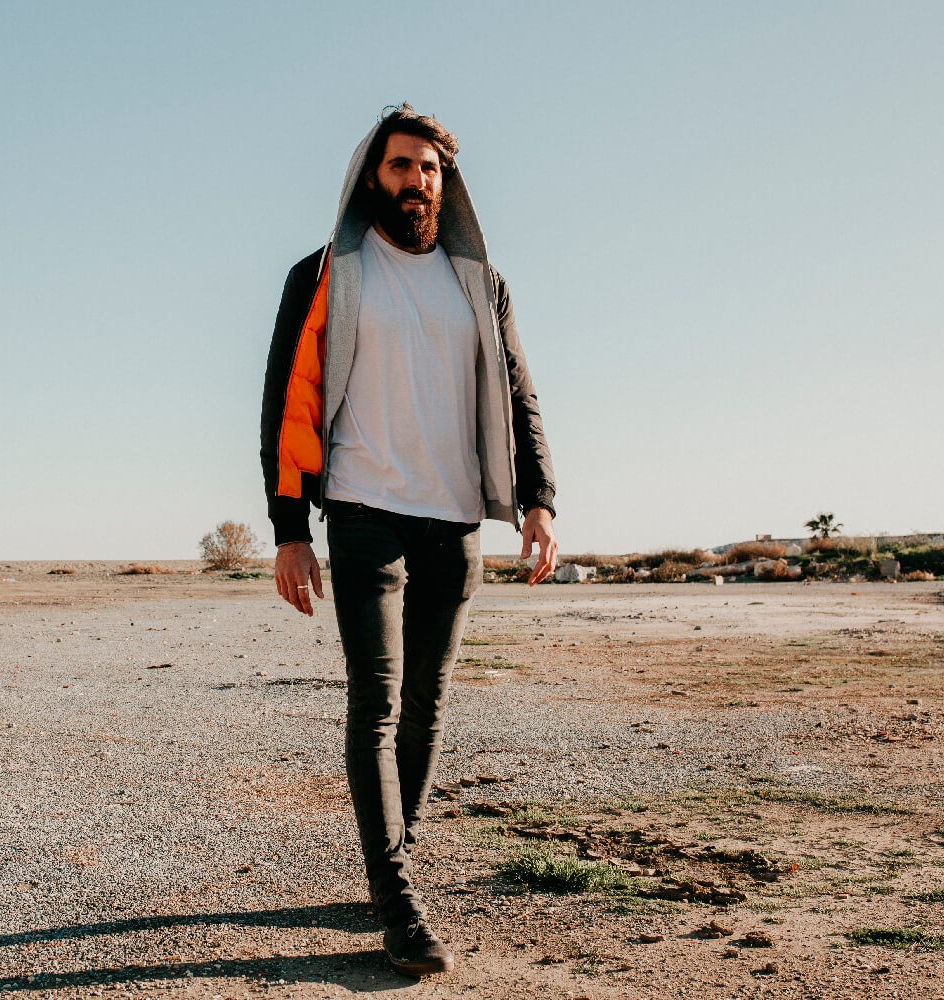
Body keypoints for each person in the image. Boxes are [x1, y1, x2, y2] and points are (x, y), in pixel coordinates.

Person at [259, 104, 557, 977]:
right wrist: (288, 528)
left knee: (428, 706)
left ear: (445, 181)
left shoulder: (480, 282)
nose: (415, 181)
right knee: (378, 705)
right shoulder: (324, 275)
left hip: (453, 517)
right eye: (400, 166)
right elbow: (289, 403)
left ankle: (396, 862)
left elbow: (519, 393)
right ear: (370, 175)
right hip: (362, 512)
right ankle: (397, 903)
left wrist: (537, 499)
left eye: (429, 169)